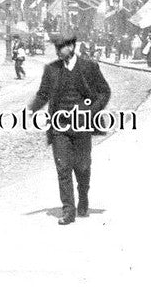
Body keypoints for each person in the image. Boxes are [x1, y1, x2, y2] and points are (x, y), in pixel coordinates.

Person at [28, 35, 111, 226]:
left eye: (62, 47)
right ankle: (68, 211)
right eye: (56, 48)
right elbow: (43, 93)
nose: (58, 51)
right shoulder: (51, 69)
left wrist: (91, 111)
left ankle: (83, 196)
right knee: (63, 167)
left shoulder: (89, 67)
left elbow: (104, 91)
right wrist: (31, 108)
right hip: (59, 126)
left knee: (82, 166)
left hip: (83, 124)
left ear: (72, 47)